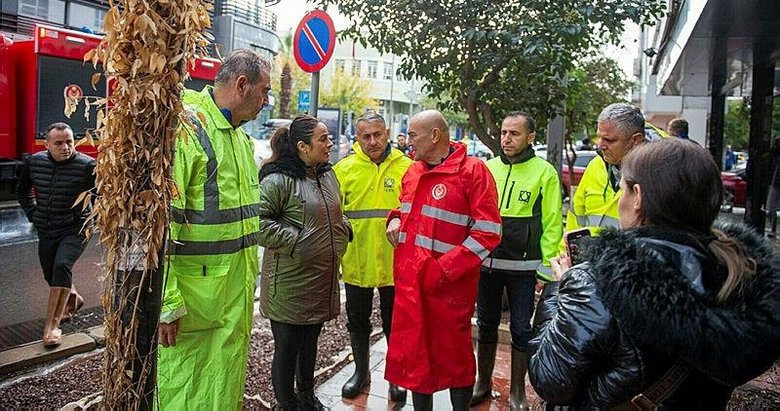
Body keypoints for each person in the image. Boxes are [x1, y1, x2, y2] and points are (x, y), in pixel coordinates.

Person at [528, 138, 780, 409]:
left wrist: (560, 288)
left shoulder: (596, 282)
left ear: (638, 196)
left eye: (623, 189)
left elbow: (550, 380)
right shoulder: (741, 272)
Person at [157, 49, 271, 409]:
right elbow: (158, 226)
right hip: (194, 306)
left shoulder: (238, 138)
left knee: (220, 389)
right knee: (185, 391)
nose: (267, 101)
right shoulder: (191, 131)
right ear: (242, 85)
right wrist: (167, 303)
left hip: (225, 299)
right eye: (265, 91)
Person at [384, 110, 502, 411]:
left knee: (455, 359)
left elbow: (488, 232)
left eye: (413, 135)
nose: (408, 141)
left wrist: (445, 269)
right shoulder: (412, 172)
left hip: (449, 289)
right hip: (411, 284)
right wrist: (394, 222)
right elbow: (406, 210)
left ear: (435, 135)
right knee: (414, 357)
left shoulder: (474, 172)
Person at [258, 114, 352, 410]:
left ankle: (307, 399)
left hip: (321, 278)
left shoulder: (327, 175)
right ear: (302, 146)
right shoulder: (278, 180)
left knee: (310, 345)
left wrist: (344, 227)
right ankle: (287, 404)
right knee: (287, 348)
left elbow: (336, 211)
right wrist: (298, 241)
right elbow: (258, 223)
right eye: (323, 139)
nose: (330, 143)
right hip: (287, 282)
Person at [472, 112, 562, 409]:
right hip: (487, 265)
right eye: (503, 133)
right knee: (485, 324)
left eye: (514, 133)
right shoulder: (487, 168)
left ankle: (517, 392)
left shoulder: (544, 172)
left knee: (522, 330)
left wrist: (546, 270)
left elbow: (552, 224)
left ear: (530, 137)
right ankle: (482, 383)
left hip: (525, 269)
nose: (506, 139)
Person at [333, 113, 412, 404]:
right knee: (357, 320)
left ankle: (396, 378)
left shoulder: (407, 167)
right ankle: (361, 372)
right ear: (357, 137)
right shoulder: (344, 169)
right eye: (365, 136)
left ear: (387, 133)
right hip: (357, 261)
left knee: (396, 323)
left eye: (377, 134)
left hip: (396, 262)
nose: (372, 141)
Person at [17, 122, 94, 347]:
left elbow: (100, 198)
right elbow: (22, 190)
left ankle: (52, 327)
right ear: (47, 144)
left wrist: (93, 222)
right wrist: (33, 214)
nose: (65, 147)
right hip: (46, 228)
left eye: (69, 142)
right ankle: (73, 298)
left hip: (75, 229)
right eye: (58, 143)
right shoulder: (34, 163)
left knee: (61, 266)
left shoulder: (87, 166)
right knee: (50, 273)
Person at [565, 103, 646, 236]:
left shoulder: (656, 175)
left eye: (609, 140)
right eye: (599, 137)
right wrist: (567, 253)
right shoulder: (595, 165)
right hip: (588, 256)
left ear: (636, 140)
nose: (600, 146)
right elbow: (575, 218)